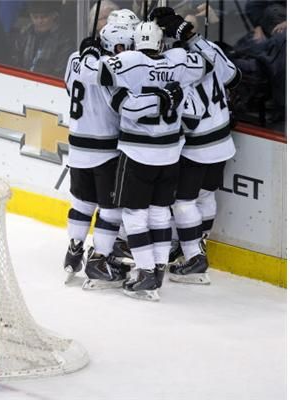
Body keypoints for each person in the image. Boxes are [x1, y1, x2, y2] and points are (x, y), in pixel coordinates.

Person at [95, 20, 209, 301]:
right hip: (170, 153)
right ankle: (157, 268)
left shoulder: (129, 60)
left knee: (134, 215)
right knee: (160, 212)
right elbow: (204, 64)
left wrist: (147, 94)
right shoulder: (178, 61)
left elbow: (106, 75)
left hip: (137, 154)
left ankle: (145, 271)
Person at [64, 21, 171, 290]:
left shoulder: (75, 58)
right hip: (106, 149)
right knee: (111, 211)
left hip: (77, 144)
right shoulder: (112, 67)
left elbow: (69, 86)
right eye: (124, 46)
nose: (128, 51)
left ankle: (73, 252)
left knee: (82, 204)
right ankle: (99, 260)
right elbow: (122, 105)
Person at [150, 7, 241, 285]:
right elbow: (233, 77)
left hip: (198, 147)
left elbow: (188, 117)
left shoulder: (176, 63)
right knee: (204, 195)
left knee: (182, 202)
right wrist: (192, 36)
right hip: (223, 141)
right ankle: (197, 244)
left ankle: (194, 257)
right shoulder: (207, 47)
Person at [11, 1, 73, 77]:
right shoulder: (25, 33)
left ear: (53, 16)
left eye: (43, 17)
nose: (39, 21)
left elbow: (60, 72)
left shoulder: (64, 40)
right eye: (35, 17)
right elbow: (15, 60)